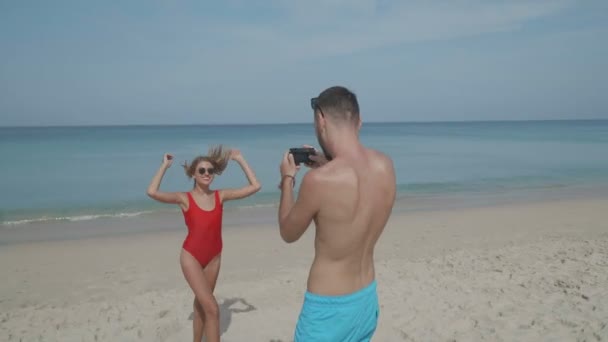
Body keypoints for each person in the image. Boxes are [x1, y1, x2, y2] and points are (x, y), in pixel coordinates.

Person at [278, 86, 396, 341]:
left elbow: (288, 232)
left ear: (321, 119)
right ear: (359, 122)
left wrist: (287, 179)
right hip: (365, 299)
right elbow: (355, 183)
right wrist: (327, 163)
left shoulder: (319, 181)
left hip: (328, 309)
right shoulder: (385, 165)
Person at [147, 145, 261, 342]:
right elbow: (152, 192)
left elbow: (255, 186)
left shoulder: (220, 196)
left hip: (214, 258)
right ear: (194, 174)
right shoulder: (184, 198)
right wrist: (164, 166)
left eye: (210, 170)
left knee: (201, 304)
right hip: (191, 256)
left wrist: (240, 159)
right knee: (213, 308)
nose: (207, 173)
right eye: (202, 170)